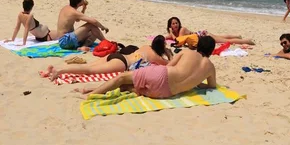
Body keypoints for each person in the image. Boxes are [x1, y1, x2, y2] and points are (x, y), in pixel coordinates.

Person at [78, 35, 218, 99]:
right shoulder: (210, 67)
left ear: (198, 46)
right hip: (166, 93)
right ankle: (94, 89)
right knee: (128, 87)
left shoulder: (188, 52)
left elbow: (169, 65)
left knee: (122, 78)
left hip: (162, 75)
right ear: (211, 51)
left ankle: (90, 94)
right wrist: (197, 83)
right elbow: (211, 86)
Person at [46, 35, 173, 81]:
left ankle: (59, 68)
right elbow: (171, 65)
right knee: (89, 71)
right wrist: (168, 53)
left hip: (117, 55)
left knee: (88, 66)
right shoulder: (156, 57)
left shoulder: (146, 46)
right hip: (122, 63)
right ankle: (59, 71)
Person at [165, 16, 255, 45]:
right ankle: (237, 36)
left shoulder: (182, 29)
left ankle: (246, 41)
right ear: (170, 26)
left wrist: (171, 33)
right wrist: (170, 34)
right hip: (201, 35)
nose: (175, 25)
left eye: (176, 23)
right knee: (220, 37)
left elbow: (178, 41)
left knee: (225, 41)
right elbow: (165, 37)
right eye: (173, 24)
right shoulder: (173, 33)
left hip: (203, 36)